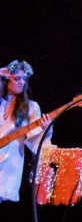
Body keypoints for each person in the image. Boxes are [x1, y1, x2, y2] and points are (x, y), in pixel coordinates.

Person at [0, 60, 52, 203]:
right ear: (6, 80)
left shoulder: (30, 107)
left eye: (24, 78)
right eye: (17, 78)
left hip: (9, 164)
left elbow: (34, 140)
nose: (22, 82)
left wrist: (45, 129)